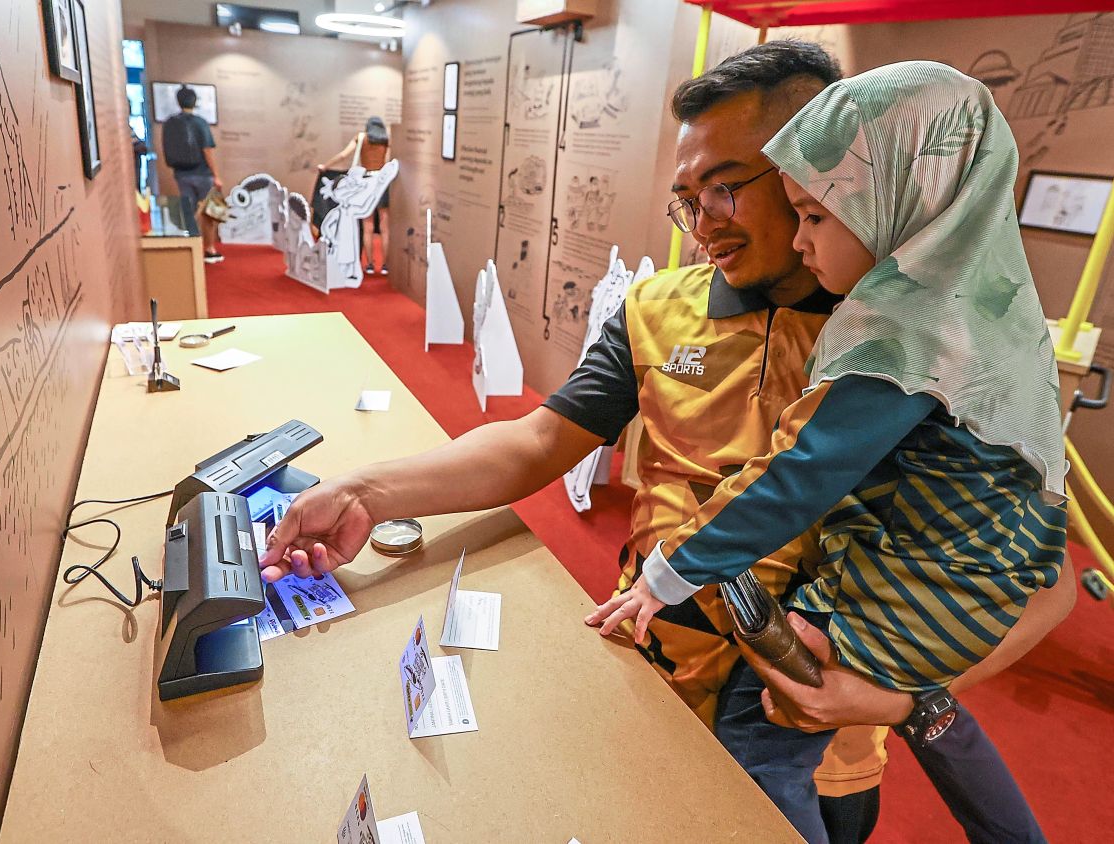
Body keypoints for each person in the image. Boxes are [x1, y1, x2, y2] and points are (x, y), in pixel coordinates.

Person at [259, 43, 1075, 842]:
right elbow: (540, 439)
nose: (704, 223)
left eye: (728, 187)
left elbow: (1043, 583)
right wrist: (364, 492)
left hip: (816, 742)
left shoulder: (940, 346)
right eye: (688, 197)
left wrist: (900, 701)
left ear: (827, 170)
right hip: (646, 670)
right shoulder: (657, 307)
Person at [588, 61, 1068, 841]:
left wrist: (668, 573)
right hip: (897, 592)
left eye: (808, 210)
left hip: (890, 628)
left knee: (760, 735)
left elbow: (800, 472)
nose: (706, 222)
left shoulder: (900, 337)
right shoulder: (988, 313)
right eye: (689, 199)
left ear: (887, 198)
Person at [318, 117, 392, 275]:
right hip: (381, 183)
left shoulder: (361, 138)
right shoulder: (386, 140)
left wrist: (326, 166)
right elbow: (389, 161)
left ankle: (370, 264)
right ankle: (386, 265)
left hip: (365, 183)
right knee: (385, 227)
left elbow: (344, 155)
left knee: (368, 226)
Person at [162, 86, 223, 262]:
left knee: (188, 211)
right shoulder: (200, 123)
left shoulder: (171, 123)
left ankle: (191, 247)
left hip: (181, 173)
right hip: (202, 173)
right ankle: (209, 248)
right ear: (194, 101)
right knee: (208, 212)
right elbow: (207, 150)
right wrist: (216, 175)